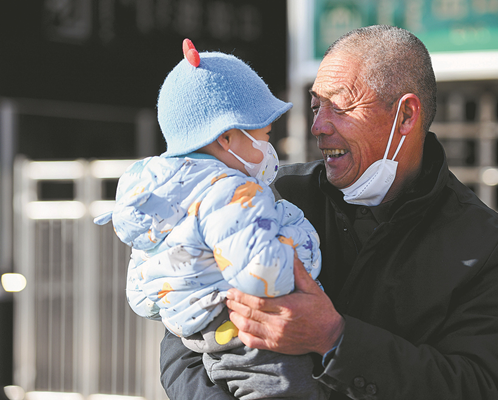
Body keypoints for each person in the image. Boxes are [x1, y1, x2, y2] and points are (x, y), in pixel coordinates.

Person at [159, 26, 498, 400]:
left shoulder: (490, 246)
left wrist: (335, 339)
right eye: (316, 106)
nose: (318, 127)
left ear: (405, 115)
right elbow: (183, 346)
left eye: (339, 106)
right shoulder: (268, 197)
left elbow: (480, 387)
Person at [95, 39, 330, 400]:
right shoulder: (231, 192)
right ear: (227, 138)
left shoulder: (163, 198)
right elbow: (264, 273)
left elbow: (143, 297)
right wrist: (299, 259)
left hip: (203, 338)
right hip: (257, 339)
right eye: (264, 135)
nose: (270, 147)